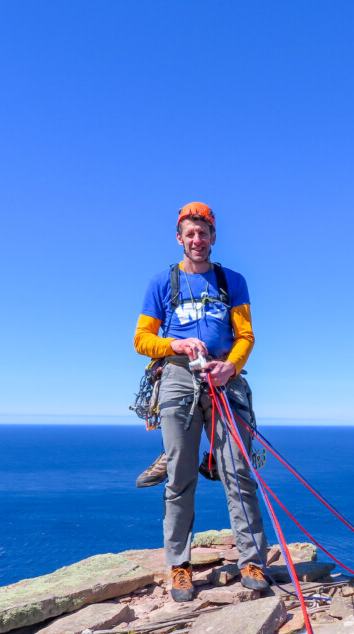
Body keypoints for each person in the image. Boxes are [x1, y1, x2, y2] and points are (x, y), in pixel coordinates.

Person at [133, 202, 270, 602]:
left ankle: (252, 559)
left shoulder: (232, 281)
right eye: (190, 234)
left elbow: (245, 336)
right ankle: (179, 566)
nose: (197, 240)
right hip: (176, 375)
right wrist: (175, 343)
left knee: (239, 471)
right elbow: (142, 339)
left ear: (213, 237)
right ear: (180, 238)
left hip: (223, 378)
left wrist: (229, 368)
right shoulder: (163, 283)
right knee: (181, 474)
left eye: (203, 233)